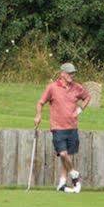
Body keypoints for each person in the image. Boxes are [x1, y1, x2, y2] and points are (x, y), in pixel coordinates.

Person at [34, 61, 93, 193]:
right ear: (62, 74)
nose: (72, 75)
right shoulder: (52, 87)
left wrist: (80, 109)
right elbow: (40, 102)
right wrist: (38, 115)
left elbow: (87, 97)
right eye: (69, 73)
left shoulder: (77, 87)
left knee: (67, 156)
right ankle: (74, 175)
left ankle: (62, 183)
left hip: (72, 127)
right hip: (58, 127)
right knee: (63, 153)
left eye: (73, 73)